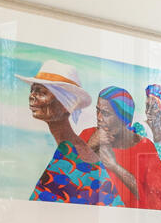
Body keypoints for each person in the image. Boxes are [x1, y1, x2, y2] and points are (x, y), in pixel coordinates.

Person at [17, 60, 119, 205]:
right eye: (32, 90)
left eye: (41, 92)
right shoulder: (71, 148)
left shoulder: (69, 155)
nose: (32, 96)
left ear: (66, 105)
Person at [91, 86, 161, 211]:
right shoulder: (89, 136)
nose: (98, 118)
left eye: (105, 113)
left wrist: (115, 166)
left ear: (124, 118)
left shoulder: (145, 147)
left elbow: (160, 201)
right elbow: (64, 176)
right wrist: (90, 146)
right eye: (97, 111)